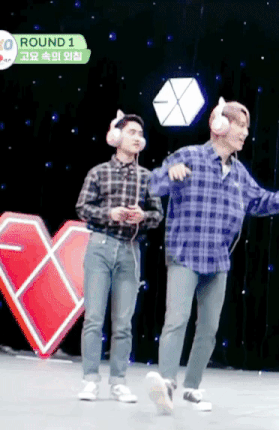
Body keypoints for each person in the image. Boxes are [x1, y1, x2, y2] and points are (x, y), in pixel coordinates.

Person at [145, 98, 279, 414]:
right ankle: (166, 384)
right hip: (185, 254)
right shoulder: (189, 156)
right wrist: (170, 172)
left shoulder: (239, 173)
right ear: (219, 125)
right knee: (177, 320)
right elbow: (153, 185)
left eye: (246, 127)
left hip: (218, 260)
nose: (245, 132)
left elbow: (260, 201)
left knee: (209, 329)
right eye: (239, 125)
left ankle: (192, 387)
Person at [76, 110, 163, 402]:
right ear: (116, 136)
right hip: (100, 246)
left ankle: (118, 381)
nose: (137, 138)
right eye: (131, 132)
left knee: (123, 323)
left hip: (130, 250)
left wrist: (143, 216)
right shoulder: (98, 172)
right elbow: (82, 208)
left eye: (140, 134)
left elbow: (158, 215)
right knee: (94, 318)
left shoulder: (147, 177)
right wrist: (109, 214)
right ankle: (90, 379)